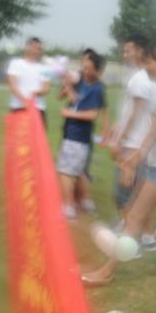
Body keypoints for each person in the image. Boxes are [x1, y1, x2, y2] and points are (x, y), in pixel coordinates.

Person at [82, 41, 156, 286]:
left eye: (149, 62)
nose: (145, 66)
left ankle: (106, 272)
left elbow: (152, 134)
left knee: (133, 218)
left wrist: (132, 160)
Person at [106, 35, 156, 248]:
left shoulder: (139, 78)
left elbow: (136, 114)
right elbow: (131, 109)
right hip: (144, 144)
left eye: (128, 50)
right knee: (140, 193)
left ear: (140, 51)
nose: (124, 54)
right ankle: (148, 238)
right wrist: (117, 125)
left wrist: (118, 139)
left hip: (132, 144)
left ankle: (130, 238)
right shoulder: (149, 77)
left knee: (123, 193)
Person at [57, 51, 106, 219]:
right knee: (79, 172)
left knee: (65, 172)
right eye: (83, 67)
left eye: (88, 68)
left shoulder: (96, 88)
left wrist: (68, 113)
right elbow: (74, 100)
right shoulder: (83, 82)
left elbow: (92, 115)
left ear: (98, 71)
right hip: (75, 136)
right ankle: (85, 202)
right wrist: (68, 85)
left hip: (77, 137)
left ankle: (69, 208)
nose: (83, 70)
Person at [7, 37, 50, 125]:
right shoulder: (16, 63)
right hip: (19, 107)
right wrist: (25, 101)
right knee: (18, 138)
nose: (38, 51)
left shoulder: (44, 68)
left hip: (38, 108)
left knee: (38, 138)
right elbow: (13, 86)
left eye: (40, 49)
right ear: (28, 47)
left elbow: (45, 89)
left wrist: (37, 92)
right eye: (36, 48)